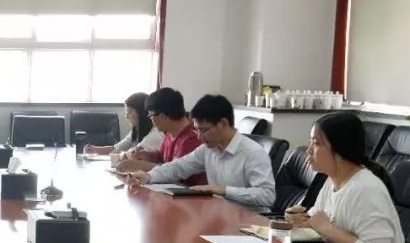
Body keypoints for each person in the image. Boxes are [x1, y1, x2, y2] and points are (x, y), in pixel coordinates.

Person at [286, 112, 410, 243]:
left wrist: (327, 229)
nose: (309, 150)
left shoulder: (367, 189)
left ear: (339, 150)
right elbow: (317, 221)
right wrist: (298, 219)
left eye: (316, 143)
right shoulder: (331, 181)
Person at [127, 94, 276, 208]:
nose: (199, 136)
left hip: (248, 221)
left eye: (204, 130)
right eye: (197, 130)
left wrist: (223, 190)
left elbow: (267, 196)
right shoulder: (208, 149)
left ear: (223, 123)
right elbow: (179, 167)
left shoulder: (253, 153)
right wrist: (148, 176)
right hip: (218, 214)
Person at [115, 87, 206, 186]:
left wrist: (141, 165)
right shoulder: (169, 133)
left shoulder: (192, 138)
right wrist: (149, 156)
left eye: (150, 115)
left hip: (188, 191)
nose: (150, 120)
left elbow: (179, 172)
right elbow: (163, 158)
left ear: (162, 116)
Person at [85, 92, 163, 157]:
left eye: (130, 111)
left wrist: (119, 153)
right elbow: (116, 148)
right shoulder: (136, 131)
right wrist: (94, 149)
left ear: (142, 112)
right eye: (126, 111)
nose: (126, 116)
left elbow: (131, 155)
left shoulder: (154, 135)